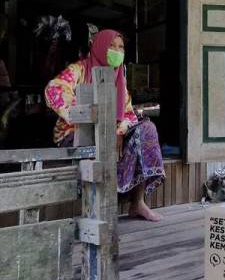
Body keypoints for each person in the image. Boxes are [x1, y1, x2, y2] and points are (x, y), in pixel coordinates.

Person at [45, 29, 166, 222]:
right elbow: (54, 90)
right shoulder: (80, 69)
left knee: (147, 129)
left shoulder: (119, 79)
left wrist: (118, 130)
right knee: (104, 141)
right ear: (100, 46)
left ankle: (138, 203)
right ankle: (96, 209)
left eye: (121, 47)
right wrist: (92, 118)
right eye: (112, 46)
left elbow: (128, 113)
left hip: (109, 136)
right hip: (75, 136)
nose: (117, 51)